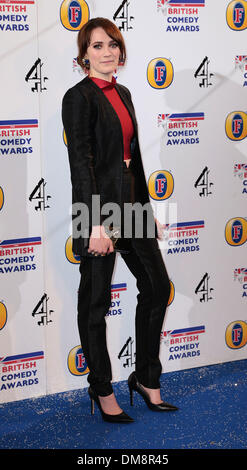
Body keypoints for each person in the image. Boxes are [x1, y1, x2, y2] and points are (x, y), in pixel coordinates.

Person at [62, 17, 178, 423]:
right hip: (98, 209)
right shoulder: (78, 97)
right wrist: (94, 223)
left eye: (113, 44)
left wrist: (147, 213)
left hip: (131, 205)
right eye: (97, 46)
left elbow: (133, 160)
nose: (107, 52)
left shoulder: (123, 92)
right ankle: (101, 387)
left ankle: (146, 377)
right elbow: (82, 164)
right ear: (83, 54)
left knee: (157, 286)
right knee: (95, 303)